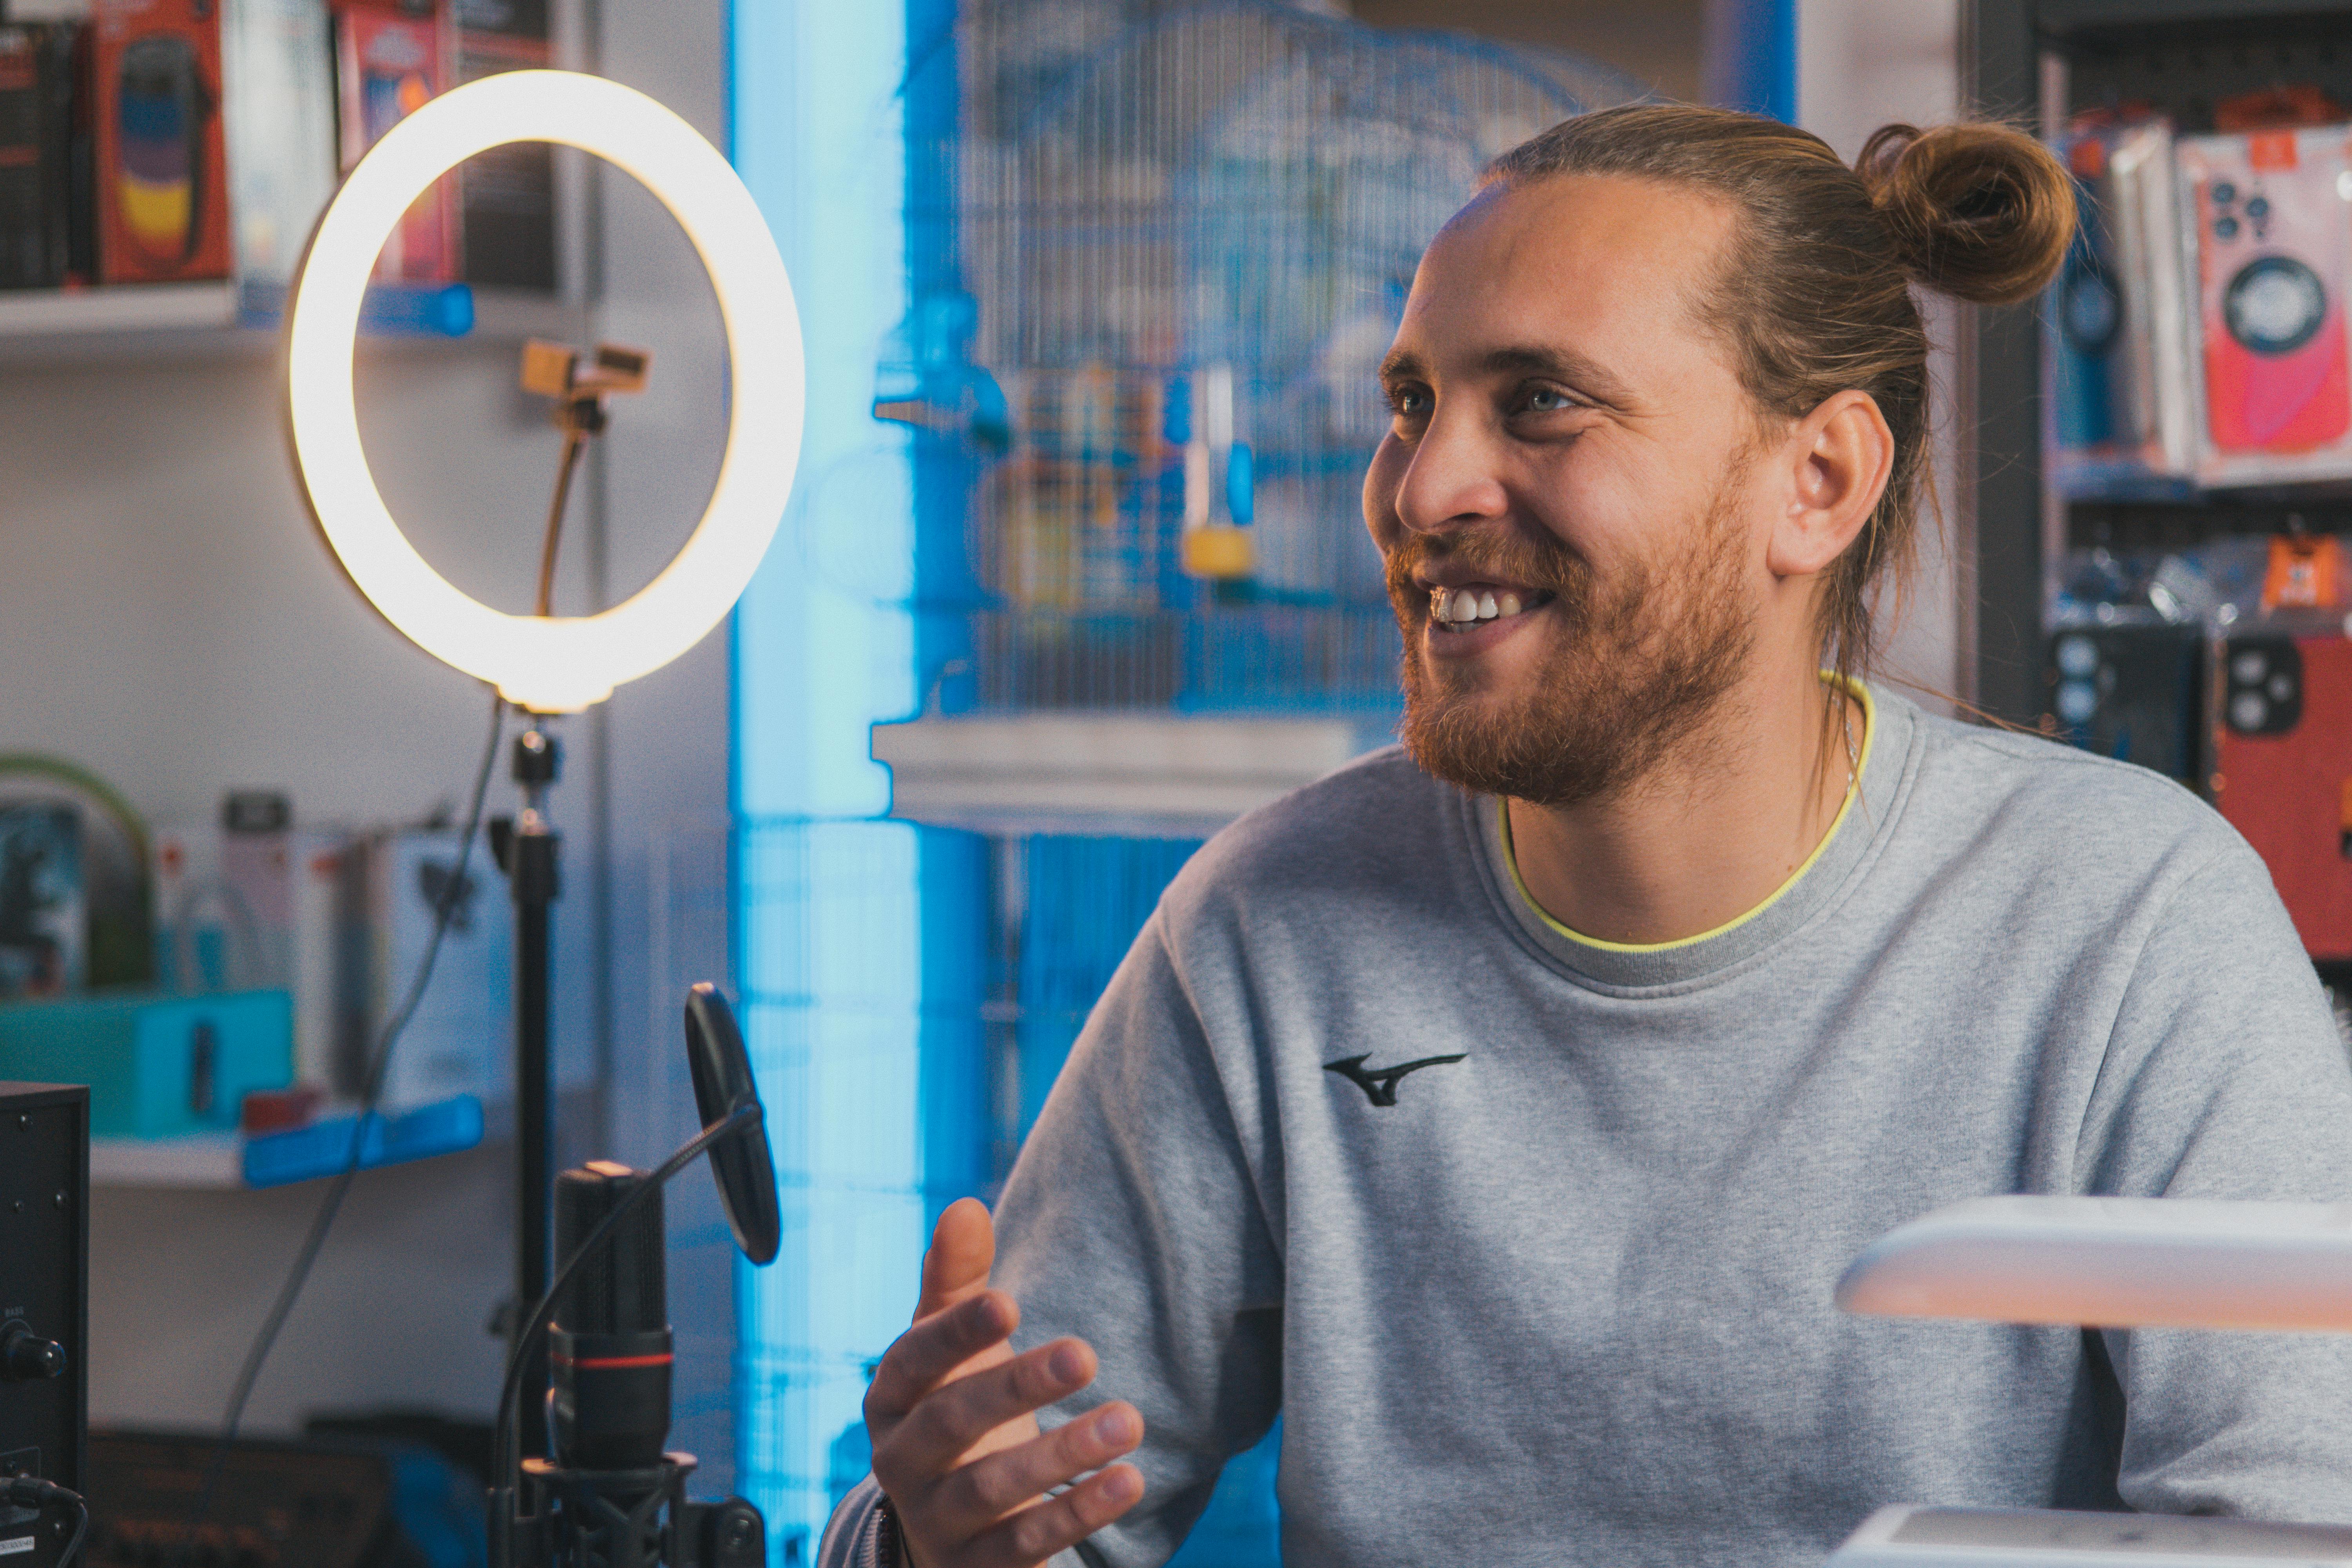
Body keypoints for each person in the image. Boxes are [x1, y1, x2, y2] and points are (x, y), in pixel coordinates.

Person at [822, 104, 2352, 1568]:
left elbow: (2296, 1526)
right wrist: (934, 1536)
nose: (1421, 488)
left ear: (1818, 481)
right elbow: (1018, 1508)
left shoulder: (2132, 926)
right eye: (1411, 403)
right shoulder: (1267, 926)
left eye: (1543, 401)